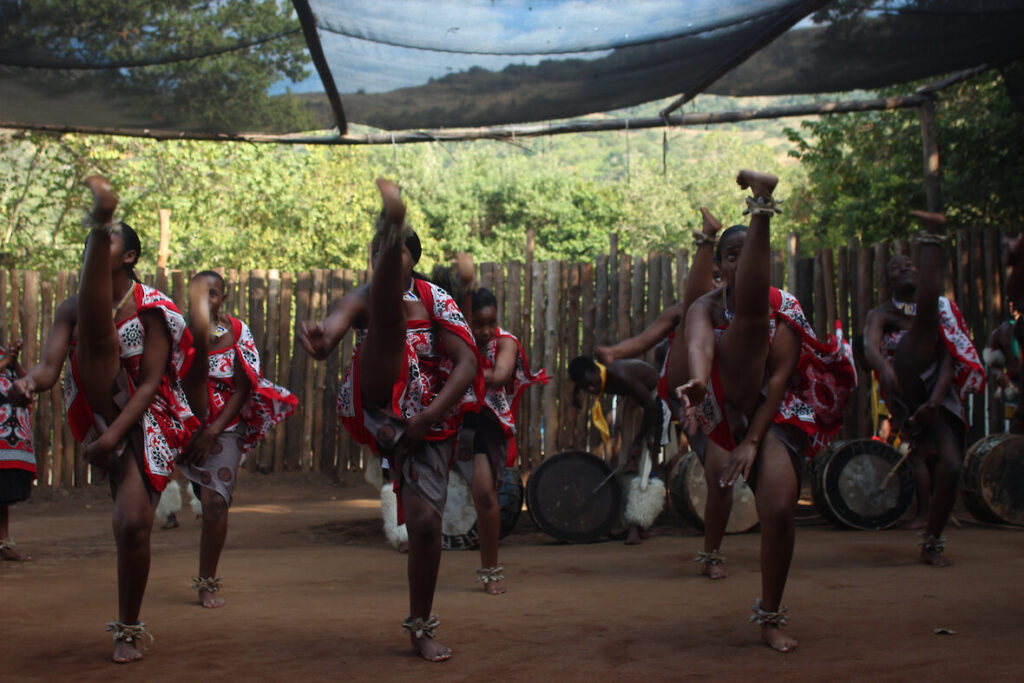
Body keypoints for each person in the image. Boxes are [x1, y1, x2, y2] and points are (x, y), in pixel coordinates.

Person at [9, 176, 199, 663]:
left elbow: (153, 384)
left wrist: (114, 436)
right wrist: (27, 383)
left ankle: (129, 628)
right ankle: (100, 218)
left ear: (130, 256)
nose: (101, 250)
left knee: (133, 524)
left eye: (110, 237)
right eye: (99, 237)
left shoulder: (155, 310)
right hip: (97, 416)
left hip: (146, 420)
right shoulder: (73, 308)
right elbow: (50, 366)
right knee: (95, 335)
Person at [299, 178, 481, 662]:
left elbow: (467, 365)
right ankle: (392, 220)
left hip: (431, 418)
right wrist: (322, 340)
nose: (382, 258)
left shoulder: (436, 299)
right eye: (378, 248)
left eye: (393, 249)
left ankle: (420, 625)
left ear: (411, 260)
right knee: (387, 323)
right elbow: (334, 329)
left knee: (424, 526)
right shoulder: (361, 297)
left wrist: (429, 415)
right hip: (377, 403)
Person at [677, 170, 856, 653]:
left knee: (778, 511)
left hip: (772, 412)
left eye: (744, 256)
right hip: (721, 403)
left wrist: (754, 441)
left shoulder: (785, 308)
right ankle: (761, 203)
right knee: (717, 481)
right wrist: (696, 382)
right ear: (719, 267)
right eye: (729, 258)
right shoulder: (705, 308)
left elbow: (779, 378)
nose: (737, 265)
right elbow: (697, 346)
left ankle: (770, 617)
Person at [862, 213, 984, 564]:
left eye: (909, 265)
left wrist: (934, 400)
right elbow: (871, 345)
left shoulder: (944, 312)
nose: (903, 268)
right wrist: (883, 365)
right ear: (887, 281)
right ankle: (933, 238)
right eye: (896, 267)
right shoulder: (882, 313)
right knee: (911, 342)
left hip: (939, 393)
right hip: (903, 391)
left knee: (951, 466)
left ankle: (932, 542)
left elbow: (950, 357)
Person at [178, 270, 298, 608]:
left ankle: (207, 583)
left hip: (224, 425)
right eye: (199, 295)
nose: (207, 300)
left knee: (216, 503)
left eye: (213, 294)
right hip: (179, 422)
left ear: (224, 298)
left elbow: (246, 385)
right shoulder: (175, 331)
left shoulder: (237, 330)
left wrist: (213, 430)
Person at [455, 286, 547, 593]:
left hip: (485, 422)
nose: (484, 331)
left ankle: (490, 571)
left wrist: (461, 368)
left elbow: (500, 375)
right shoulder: (452, 336)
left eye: (490, 323)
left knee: (484, 494)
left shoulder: (506, 342)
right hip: (448, 418)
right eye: (477, 323)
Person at [569, 355, 669, 545]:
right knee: (625, 462)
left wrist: (640, 440)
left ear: (596, 371)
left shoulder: (620, 376)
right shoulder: (592, 374)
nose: (591, 389)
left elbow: (650, 406)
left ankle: (637, 526)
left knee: (645, 464)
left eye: (591, 383)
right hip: (635, 400)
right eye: (585, 387)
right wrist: (577, 392)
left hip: (654, 402)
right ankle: (630, 523)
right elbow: (583, 380)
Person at [0, 337, 34, 561]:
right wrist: (6, 361)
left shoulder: (4, 354)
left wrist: (14, 361)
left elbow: (27, 383)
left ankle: (4, 544)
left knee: (2, 496)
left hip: (9, 439)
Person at [984, 299, 1024, 433]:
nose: (1011, 305)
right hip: (1013, 384)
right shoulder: (1000, 332)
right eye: (1008, 301)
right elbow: (993, 361)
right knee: (1016, 423)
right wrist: (1001, 374)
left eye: (1014, 301)